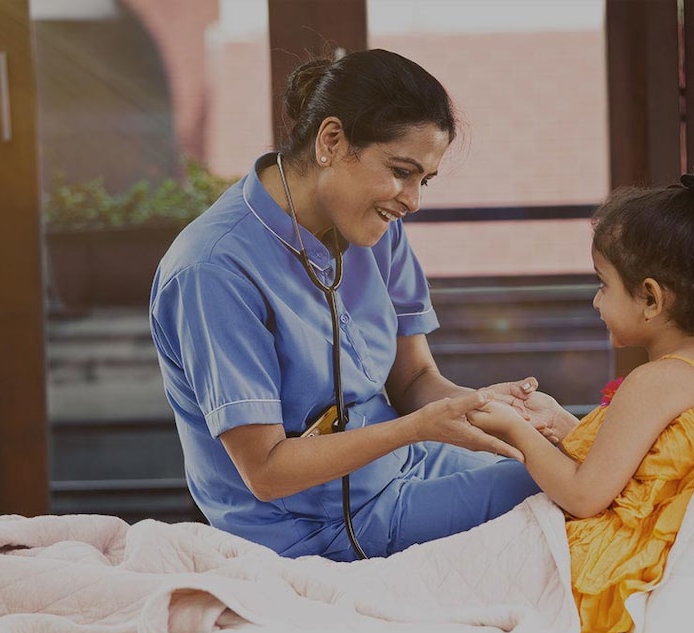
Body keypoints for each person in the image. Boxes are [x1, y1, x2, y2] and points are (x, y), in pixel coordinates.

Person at [149, 48, 542, 563]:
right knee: (554, 495)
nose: (412, 200)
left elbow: (414, 380)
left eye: (424, 180)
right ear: (331, 141)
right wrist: (417, 429)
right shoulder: (213, 271)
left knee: (562, 464)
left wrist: (485, 410)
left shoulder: (376, 226)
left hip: (402, 465)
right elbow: (266, 472)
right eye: (402, 171)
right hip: (314, 528)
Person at [469, 170, 694, 633]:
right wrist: (559, 423)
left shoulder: (653, 381)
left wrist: (515, 433)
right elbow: (638, 468)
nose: (595, 301)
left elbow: (586, 496)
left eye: (604, 285)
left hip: (598, 567)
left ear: (650, 298)